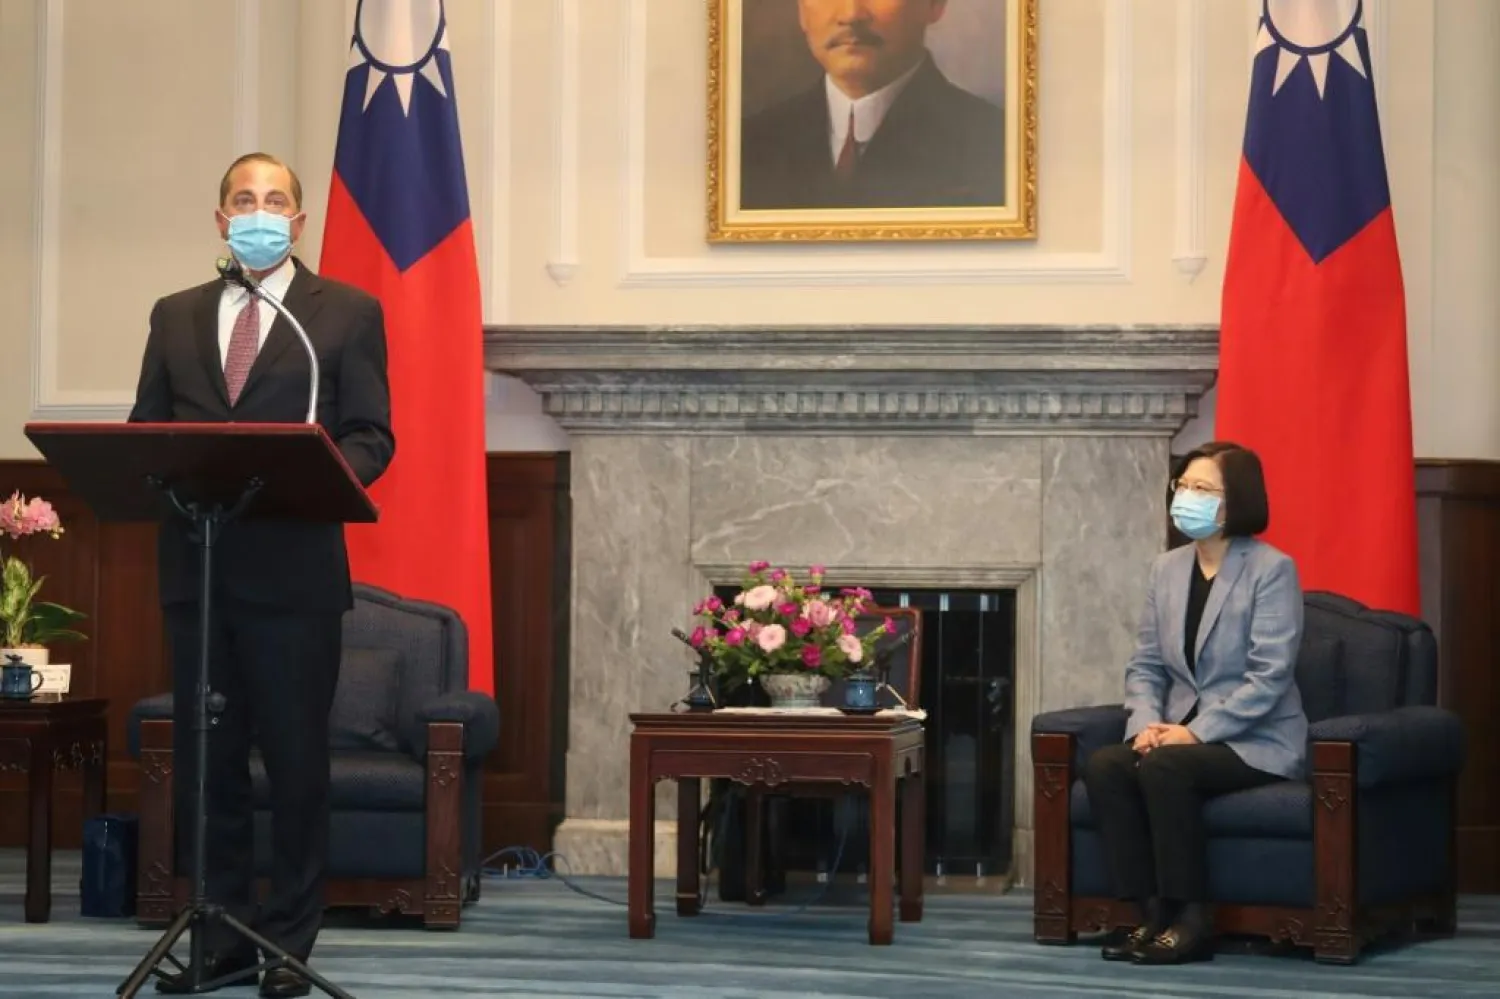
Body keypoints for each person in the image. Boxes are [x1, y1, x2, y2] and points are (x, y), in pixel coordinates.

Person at [129, 152, 394, 998]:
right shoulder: (175, 314)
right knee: (209, 770)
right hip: (199, 571)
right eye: (244, 199)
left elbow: (371, 434)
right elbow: (147, 430)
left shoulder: (344, 313)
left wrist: (318, 478)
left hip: (294, 577)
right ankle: (222, 941)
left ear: (298, 221)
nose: (259, 211)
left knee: (294, 765)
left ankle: (287, 944)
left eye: (275, 200)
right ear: (220, 219)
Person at [1081, 441, 1307, 966]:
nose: (1186, 496)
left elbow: (1269, 677)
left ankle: (1192, 919)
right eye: (1181, 486)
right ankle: (1150, 913)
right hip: (1177, 732)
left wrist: (1194, 732)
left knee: (1167, 768)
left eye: (1201, 488)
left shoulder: (1272, 569)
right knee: (1107, 764)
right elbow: (1146, 663)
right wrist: (1145, 724)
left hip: (1256, 739)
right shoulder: (1167, 568)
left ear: (1236, 500)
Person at [740, 0, 1007, 210]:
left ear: (934, 5)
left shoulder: (997, 145)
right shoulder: (748, 144)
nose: (851, 14)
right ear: (801, 10)